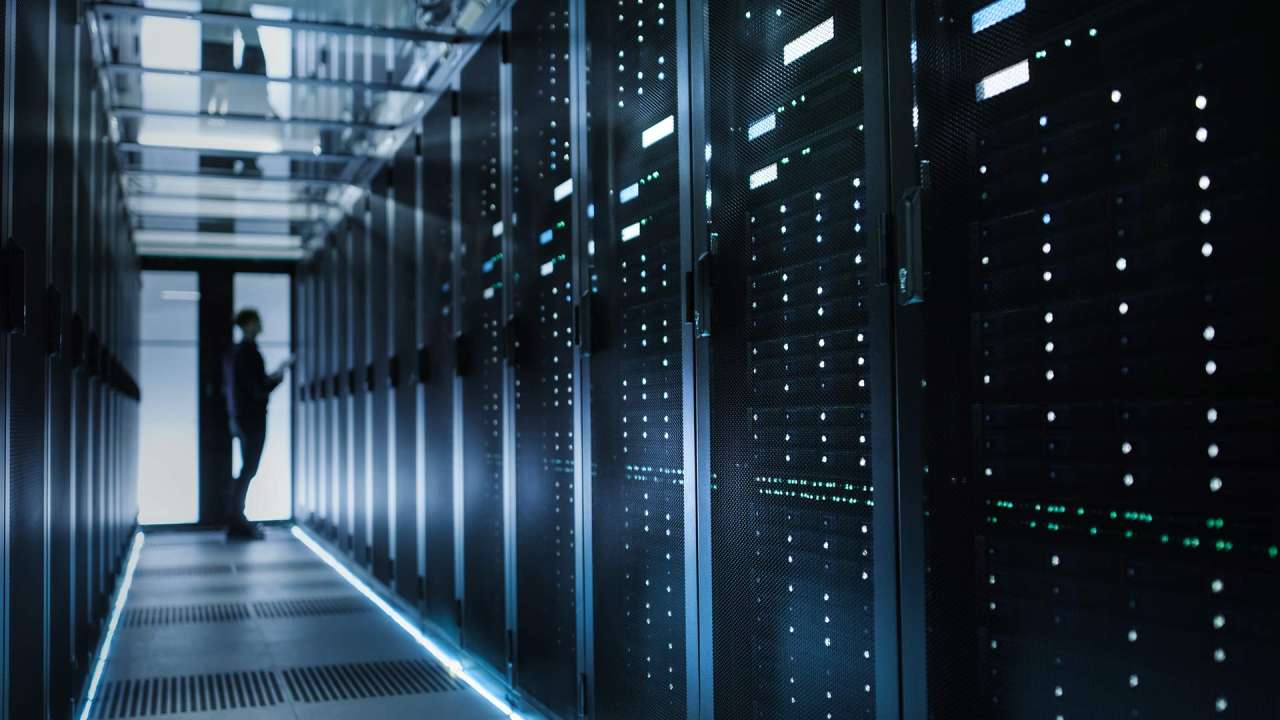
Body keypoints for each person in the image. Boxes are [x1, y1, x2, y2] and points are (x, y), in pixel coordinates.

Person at [222, 308, 292, 540]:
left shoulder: (236, 353)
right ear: (249, 324)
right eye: (257, 321)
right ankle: (237, 519)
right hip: (252, 418)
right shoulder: (249, 353)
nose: (261, 323)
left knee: (247, 468)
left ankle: (236, 519)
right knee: (249, 468)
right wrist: (280, 373)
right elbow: (259, 390)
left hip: (243, 418)